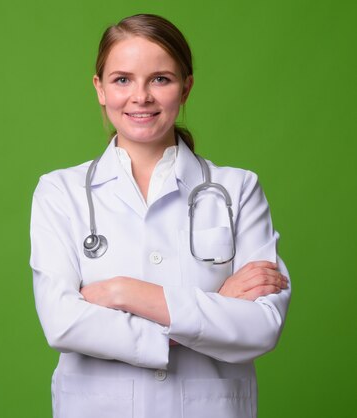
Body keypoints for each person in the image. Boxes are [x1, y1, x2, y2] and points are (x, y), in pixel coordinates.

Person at [29, 14, 291, 418]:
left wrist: (124, 293)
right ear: (99, 89)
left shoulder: (238, 189)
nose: (141, 96)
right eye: (122, 79)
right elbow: (62, 322)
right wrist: (208, 310)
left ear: (185, 88)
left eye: (160, 79)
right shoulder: (60, 192)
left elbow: (260, 327)